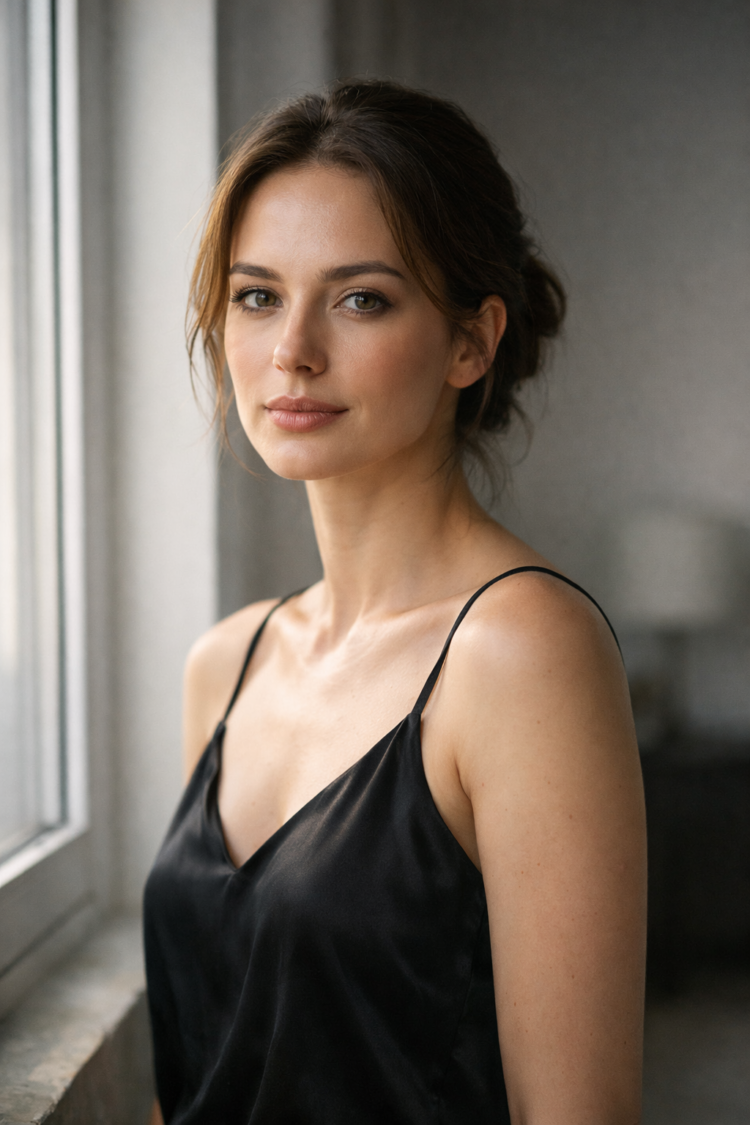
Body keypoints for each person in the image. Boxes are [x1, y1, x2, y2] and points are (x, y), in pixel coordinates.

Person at [143, 80, 646, 1125]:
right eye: (256, 295)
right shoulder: (225, 662)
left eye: (361, 297)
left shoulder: (524, 652)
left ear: (472, 341)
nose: (292, 351)